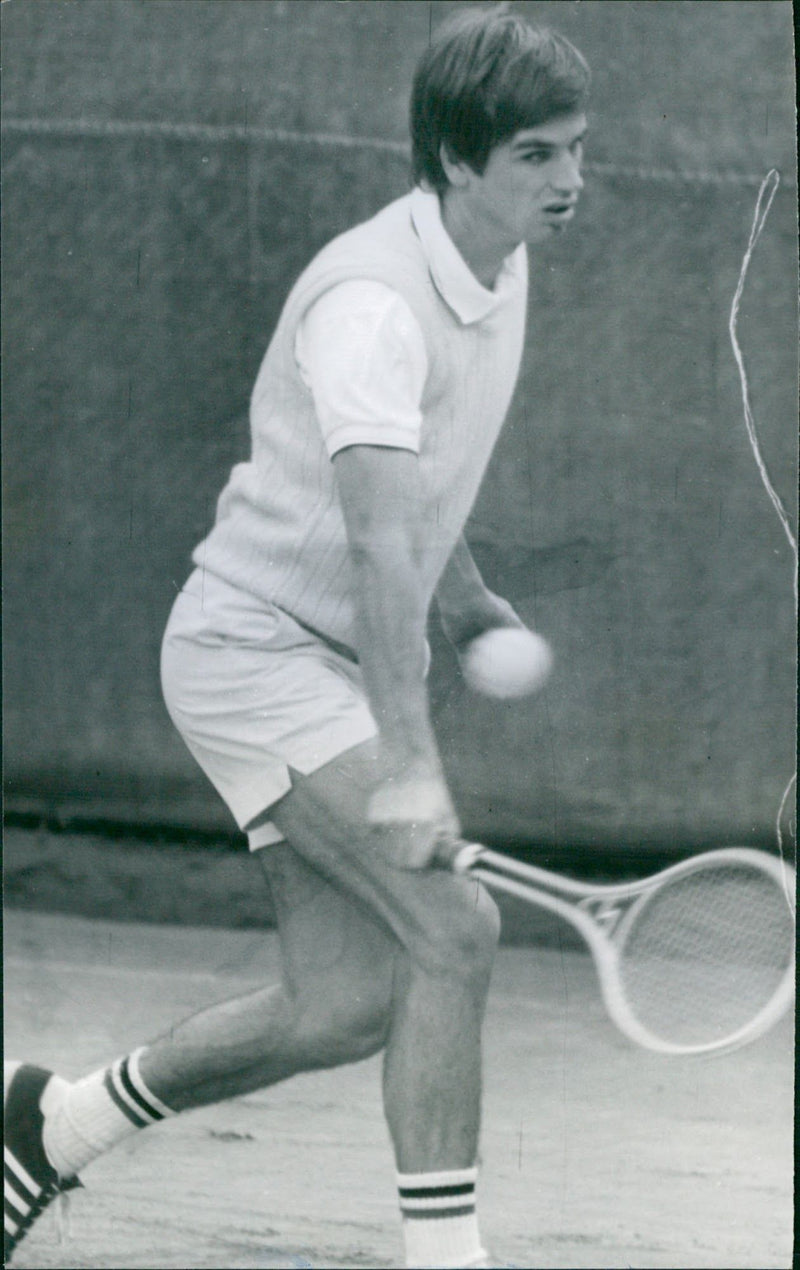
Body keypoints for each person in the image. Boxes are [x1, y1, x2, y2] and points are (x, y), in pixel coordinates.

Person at [4, 7, 589, 1267]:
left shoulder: (502, 265)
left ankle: (52, 1125)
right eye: (536, 156)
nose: (569, 183)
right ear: (453, 160)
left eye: (572, 150)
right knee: (455, 929)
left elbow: (417, 487)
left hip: (320, 656)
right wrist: (411, 761)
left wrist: (467, 594)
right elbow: (376, 544)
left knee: (346, 1002)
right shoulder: (370, 303)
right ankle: (447, 1257)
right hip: (251, 656)